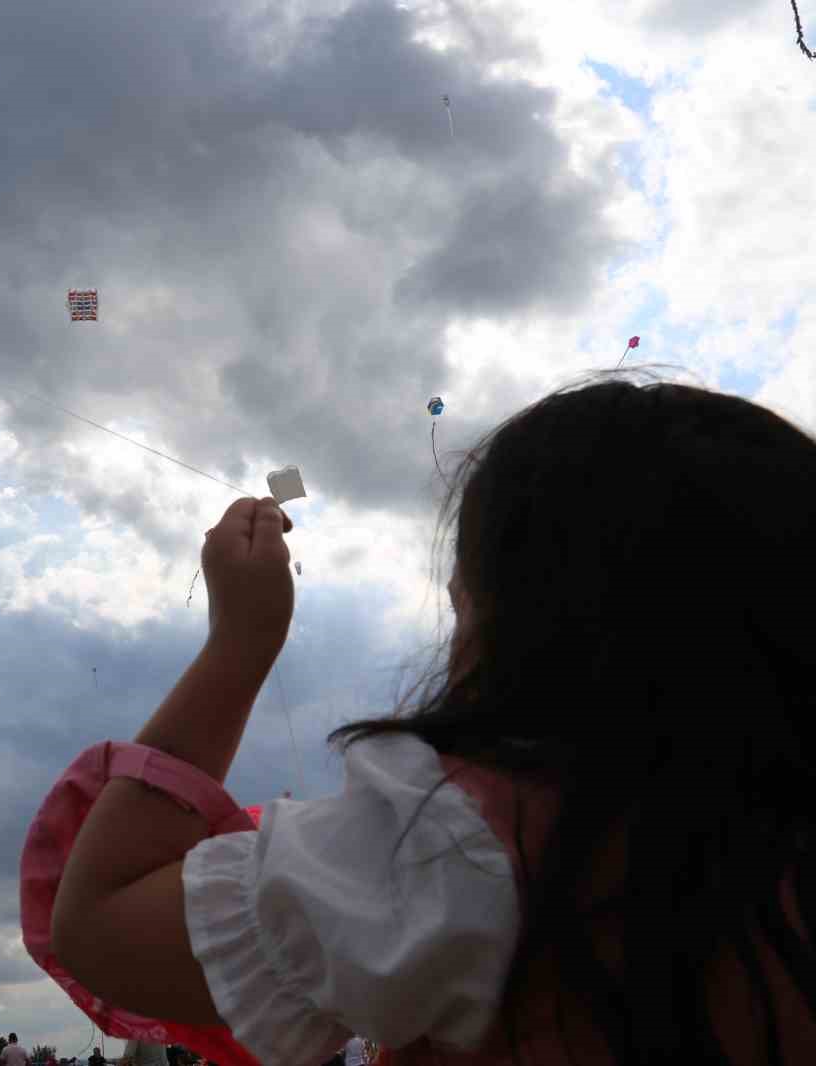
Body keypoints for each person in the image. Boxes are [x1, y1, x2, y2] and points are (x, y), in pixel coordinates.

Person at [43, 378, 816, 1064]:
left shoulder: (462, 842)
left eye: (461, 599)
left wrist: (240, 643)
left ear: (522, 621)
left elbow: (98, 926)